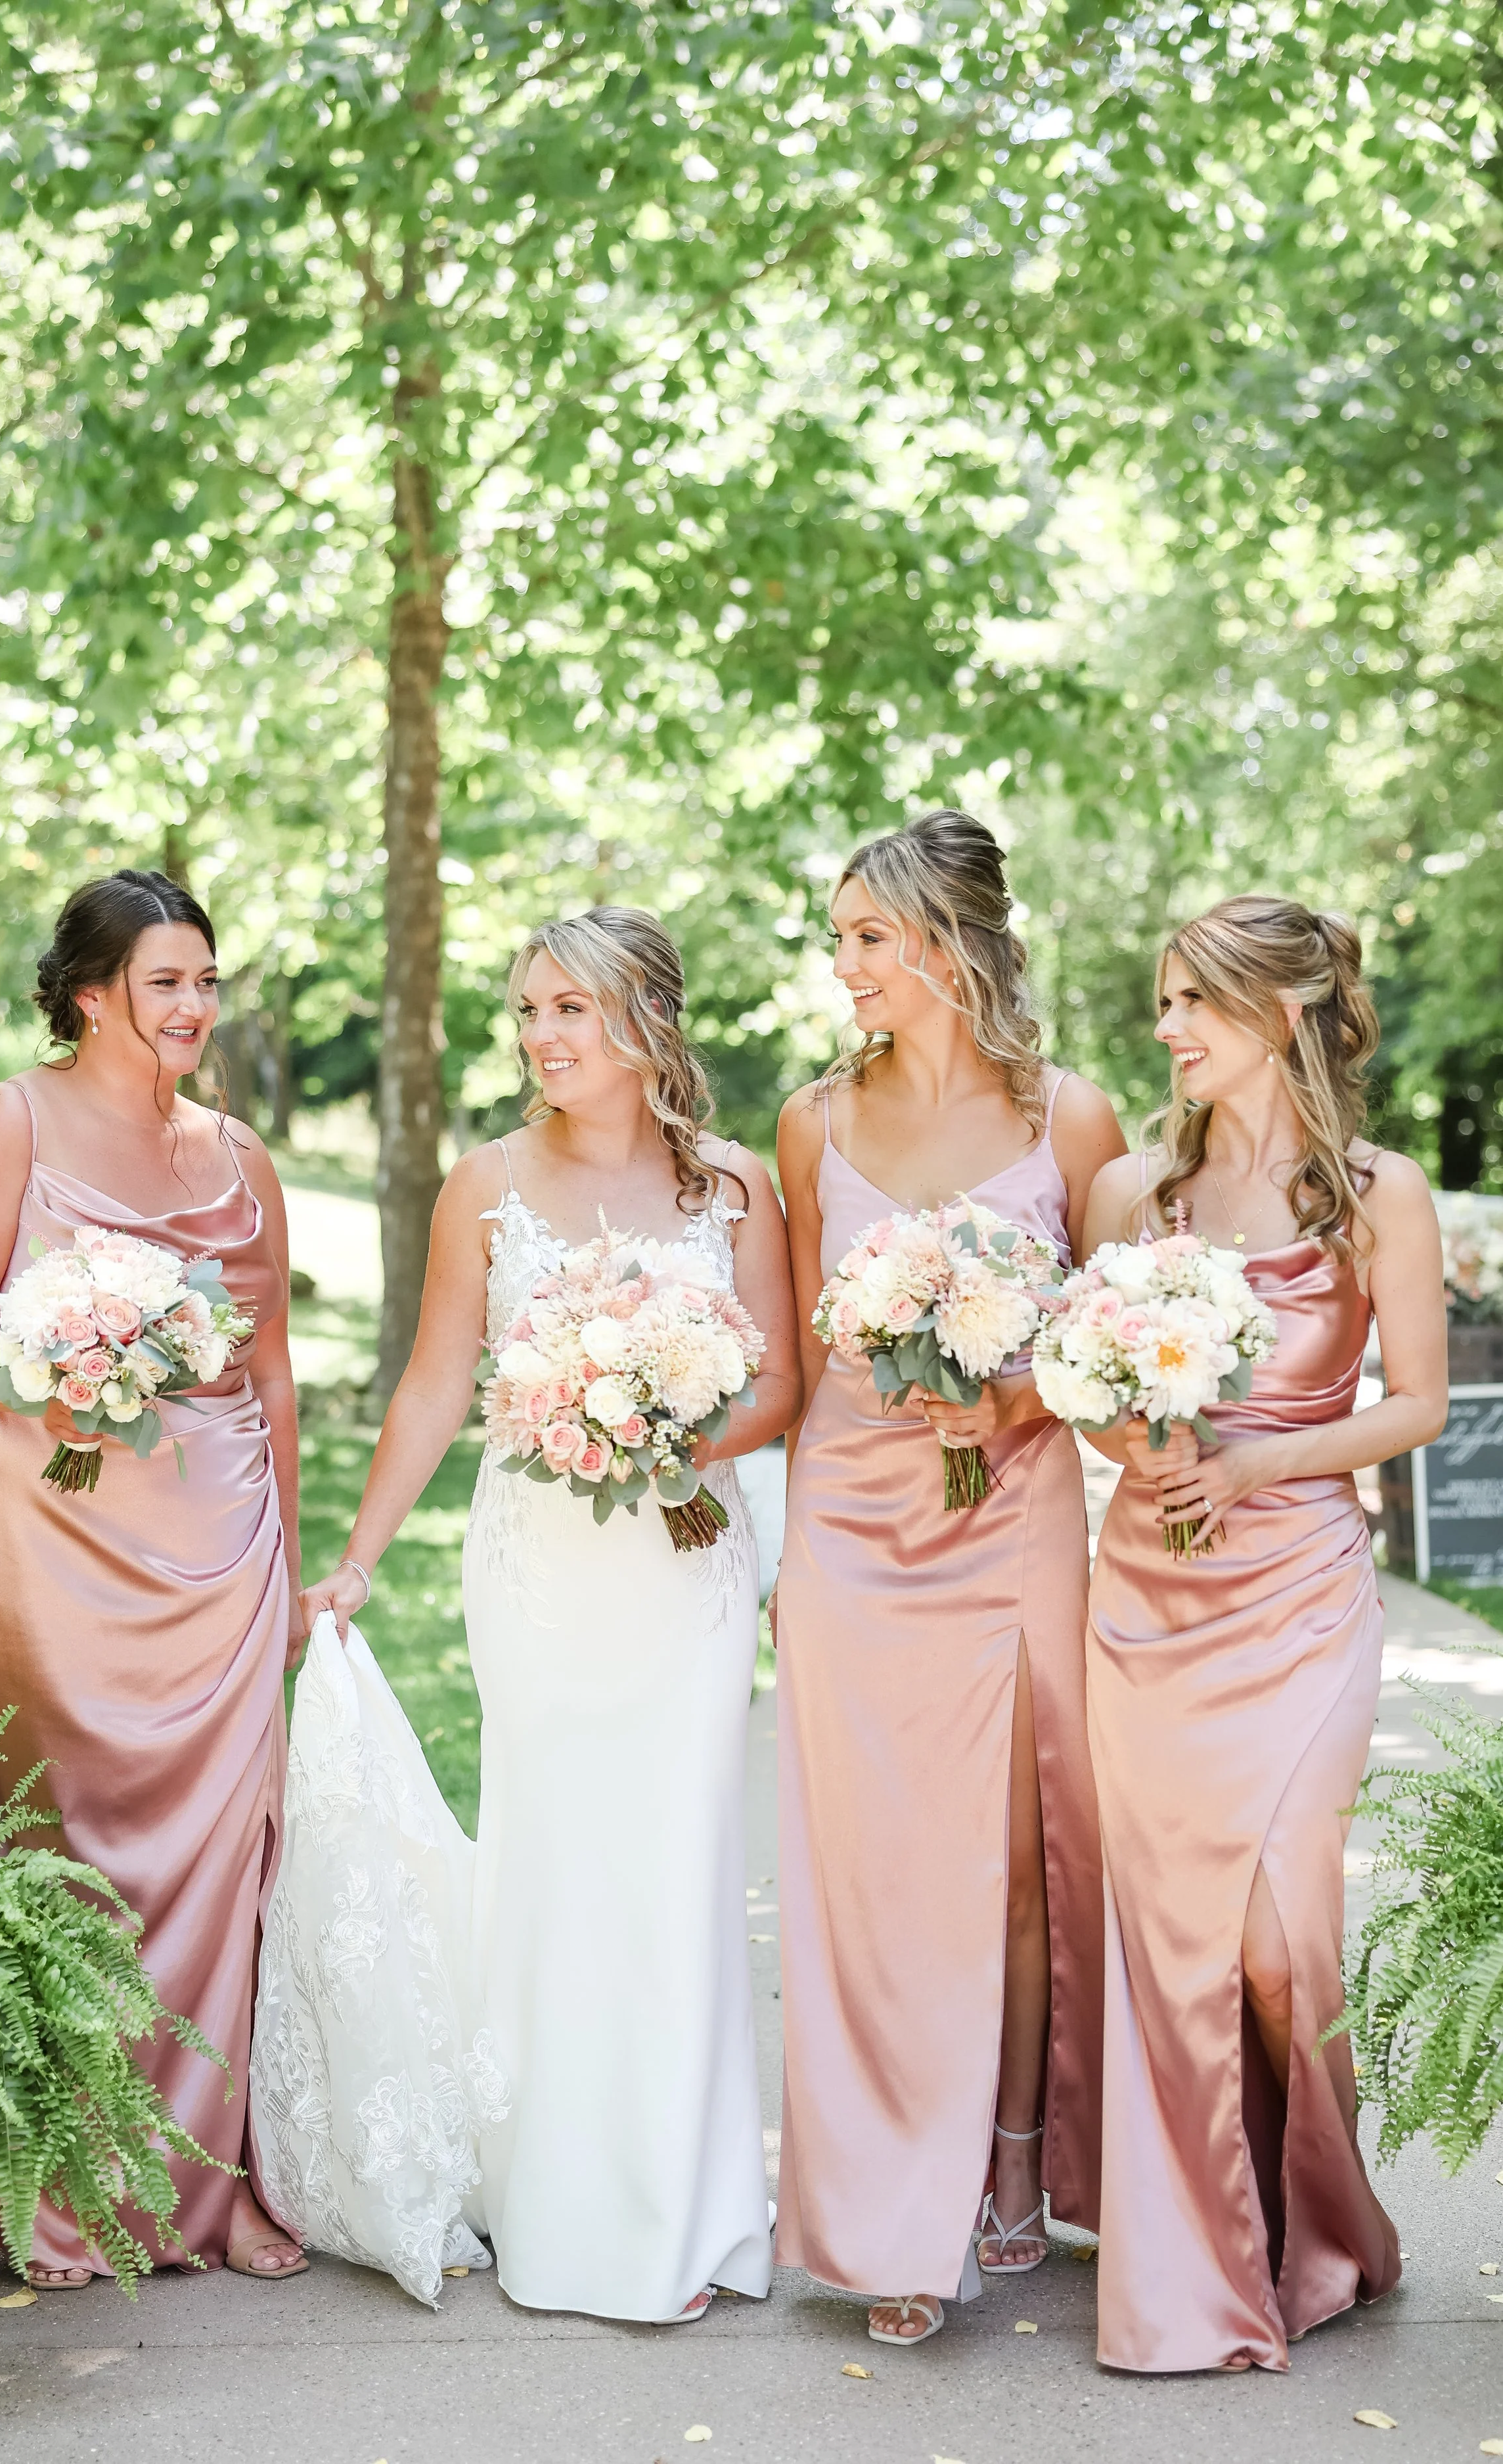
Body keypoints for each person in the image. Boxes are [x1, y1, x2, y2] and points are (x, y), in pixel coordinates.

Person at [279, 907, 800, 2322]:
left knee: (675, 1870)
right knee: (553, 1863)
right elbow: (439, 1381)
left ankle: (679, 2214)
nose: (541, 1036)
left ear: (644, 1021)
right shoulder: (485, 1185)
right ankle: (546, 2196)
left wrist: (678, 1437)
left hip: (683, 1562)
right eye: (526, 1011)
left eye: (570, 1008)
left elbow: (778, 1387)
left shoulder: (735, 1186)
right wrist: (362, 1556)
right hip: (538, 1571)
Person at [0, 870, 307, 2286]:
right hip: (56, 1544)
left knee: (227, 1862)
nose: (195, 1006)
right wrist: (56, 1380)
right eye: (166, 984)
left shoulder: (240, 1155)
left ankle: (213, 2190)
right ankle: (63, 2186)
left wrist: (293, 1568)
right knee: (68, 1846)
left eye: (206, 980)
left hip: (223, 1548)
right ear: (92, 996)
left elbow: (267, 1371)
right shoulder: (10, 1123)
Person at [773, 810, 1127, 2348]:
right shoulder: (810, 1123)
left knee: (1017, 1850)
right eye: (840, 936)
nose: (842, 964)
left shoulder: (1074, 1119)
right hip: (853, 1523)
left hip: (1016, 1514)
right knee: (872, 1867)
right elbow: (802, 1356)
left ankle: (1009, 2165)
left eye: (864, 936)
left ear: (942, 942)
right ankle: (885, 2215)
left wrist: (1010, 1398)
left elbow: (1103, 1348)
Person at [1080, 896, 1446, 2374]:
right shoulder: (1126, 1197)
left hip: (1297, 1583)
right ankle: (1201, 2259)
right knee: (1180, 1938)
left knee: (1285, 1942)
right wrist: (1137, 1439)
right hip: (1147, 1598)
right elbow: (1077, 1383)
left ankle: (1323, 2225)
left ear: (1277, 1013)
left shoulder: (1377, 1192)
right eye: (1161, 1002)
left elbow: (1413, 1404)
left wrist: (1247, 1463)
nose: (1163, 1031)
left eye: (1190, 1005)